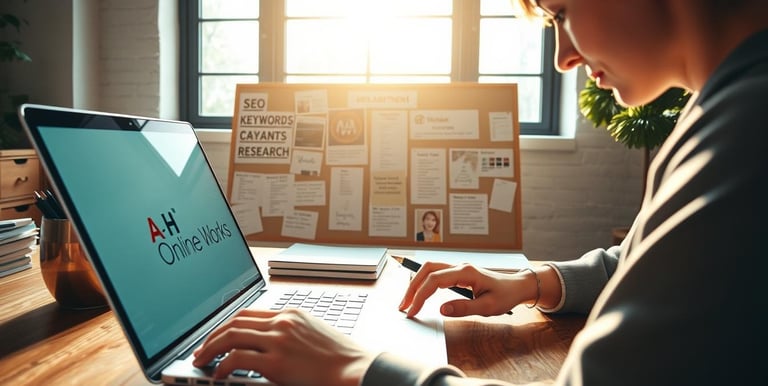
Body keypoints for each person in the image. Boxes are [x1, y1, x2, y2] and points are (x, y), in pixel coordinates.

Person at [192, 0, 768, 384]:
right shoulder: (730, 100)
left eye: (560, 11)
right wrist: (533, 282)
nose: (563, 57)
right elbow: (652, 255)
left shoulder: (750, 125)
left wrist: (358, 368)